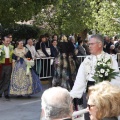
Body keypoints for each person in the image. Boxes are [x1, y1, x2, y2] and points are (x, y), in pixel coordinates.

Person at [70, 34, 120, 120]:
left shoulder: (110, 59)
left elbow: (116, 80)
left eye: (91, 44)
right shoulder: (87, 60)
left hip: (104, 97)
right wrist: (72, 95)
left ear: (100, 44)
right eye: (88, 44)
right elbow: (80, 79)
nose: (89, 46)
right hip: (89, 96)